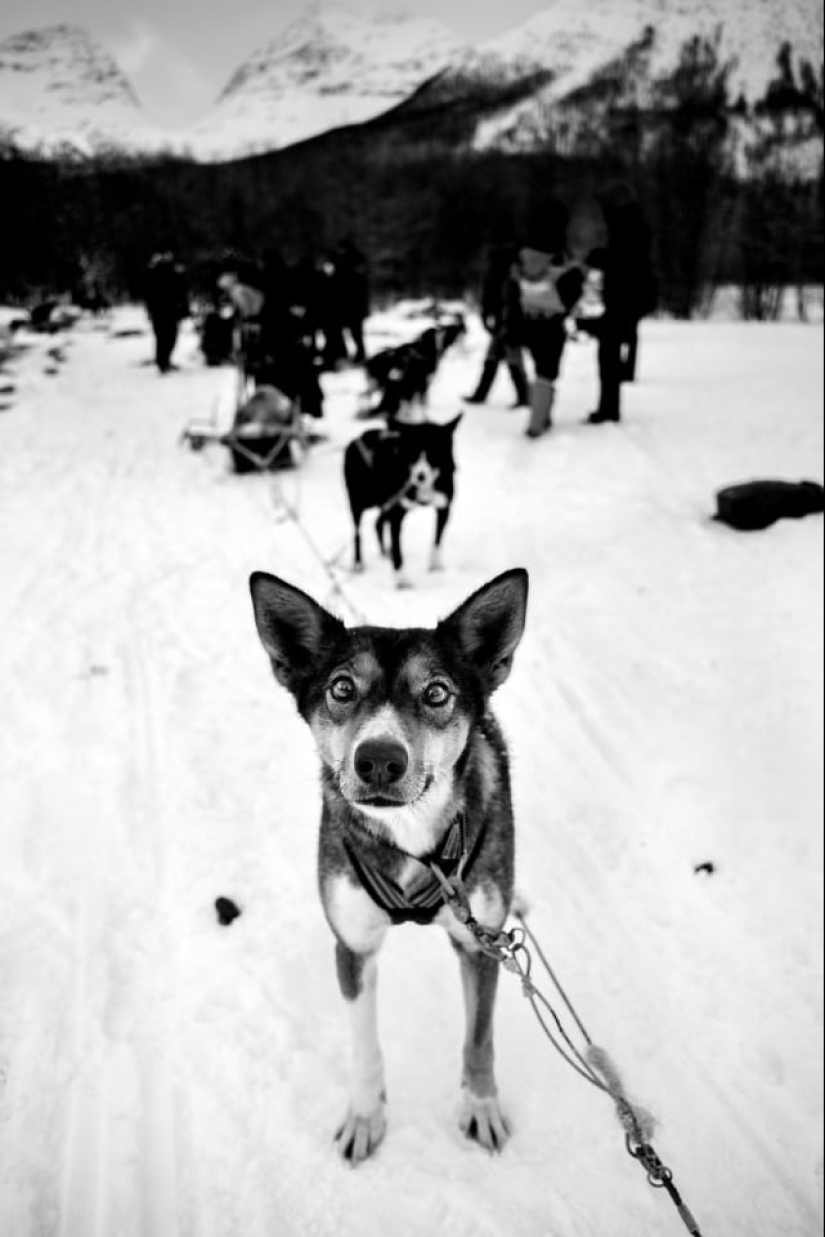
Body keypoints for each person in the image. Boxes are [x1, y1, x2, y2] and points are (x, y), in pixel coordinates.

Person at [583, 182, 656, 424]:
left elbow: (624, 262)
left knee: (608, 354)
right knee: (613, 350)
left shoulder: (626, 226)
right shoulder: (632, 223)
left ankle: (608, 409)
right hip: (629, 297)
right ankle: (609, 406)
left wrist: (601, 258)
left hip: (624, 298)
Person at [513, 202, 585, 438]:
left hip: (527, 321)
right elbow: (571, 292)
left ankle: (542, 414)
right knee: (547, 372)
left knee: (540, 371)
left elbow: (511, 289)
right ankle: (537, 422)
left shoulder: (522, 257)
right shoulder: (560, 260)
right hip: (551, 323)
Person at [464, 243, 529, 409]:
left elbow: (505, 299)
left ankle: (523, 397)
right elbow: (491, 297)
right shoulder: (503, 271)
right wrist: (487, 317)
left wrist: (489, 317)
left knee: (510, 359)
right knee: (493, 359)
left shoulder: (511, 273)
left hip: (509, 323)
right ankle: (482, 395)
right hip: (503, 322)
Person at [144, 251, 188, 373]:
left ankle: (165, 361)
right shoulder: (157, 273)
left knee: (168, 337)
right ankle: (162, 363)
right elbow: (148, 293)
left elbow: (180, 291)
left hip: (168, 310)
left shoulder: (170, 272)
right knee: (164, 337)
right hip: (162, 310)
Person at [335, 236, 370, 364]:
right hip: (350, 304)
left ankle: (360, 353)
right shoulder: (346, 260)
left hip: (354, 304)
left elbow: (359, 281)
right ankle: (358, 353)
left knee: (356, 332)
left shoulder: (353, 261)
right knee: (354, 331)